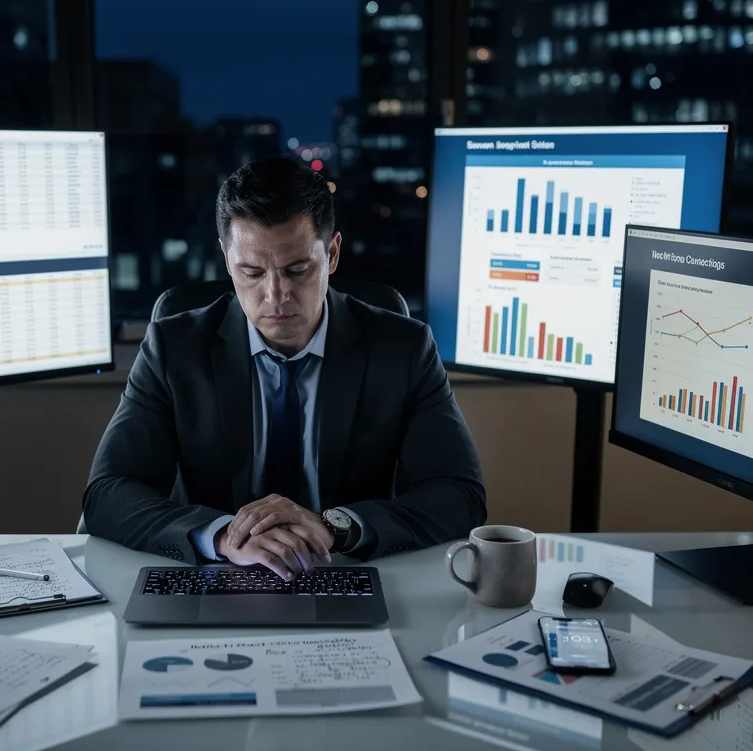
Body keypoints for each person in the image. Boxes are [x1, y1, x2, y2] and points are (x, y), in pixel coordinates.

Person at [83, 157, 485, 579]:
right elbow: (107, 494)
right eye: (252, 272)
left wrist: (335, 526)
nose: (275, 295)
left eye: (297, 270)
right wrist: (223, 537)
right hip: (220, 571)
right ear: (226, 259)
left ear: (331, 254)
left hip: (344, 567)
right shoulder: (173, 348)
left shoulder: (403, 349)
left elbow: (459, 496)